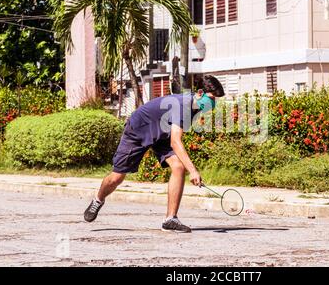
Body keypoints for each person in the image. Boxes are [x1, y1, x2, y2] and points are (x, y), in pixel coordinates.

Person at [84, 75, 225, 233]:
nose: (213, 103)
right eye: (212, 98)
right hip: (138, 131)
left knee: (178, 167)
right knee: (117, 177)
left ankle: (170, 219)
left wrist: (187, 167)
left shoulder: (195, 107)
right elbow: (176, 142)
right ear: (200, 93)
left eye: (216, 100)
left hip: (161, 135)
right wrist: (193, 170)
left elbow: (173, 137)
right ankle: (98, 199)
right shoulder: (183, 105)